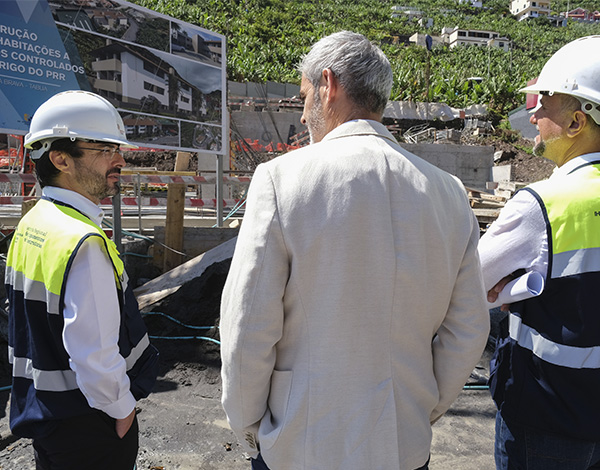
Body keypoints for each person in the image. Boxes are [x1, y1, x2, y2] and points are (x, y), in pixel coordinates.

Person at [220, 31, 489, 470]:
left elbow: (247, 327)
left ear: (328, 85)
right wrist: (423, 406)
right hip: (404, 444)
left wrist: (250, 428)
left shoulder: (281, 180)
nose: (303, 112)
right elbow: (469, 329)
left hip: (301, 446)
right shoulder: (449, 193)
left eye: (304, 96)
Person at [6, 90, 159, 469]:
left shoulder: (35, 221)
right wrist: (122, 408)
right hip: (90, 424)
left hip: (48, 414)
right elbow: (94, 355)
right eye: (105, 149)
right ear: (60, 159)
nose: (120, 160)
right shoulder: (83, 242)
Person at [479, 35, 600, 470]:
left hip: (547, 419)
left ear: (577, 122)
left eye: (544, 102)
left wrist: (513, 289)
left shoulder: (543, 204)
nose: (533, 114)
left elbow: (470, 283)